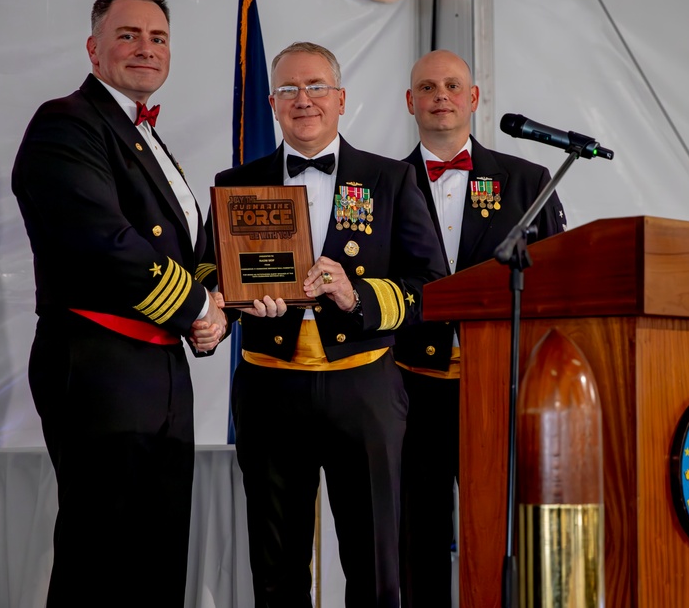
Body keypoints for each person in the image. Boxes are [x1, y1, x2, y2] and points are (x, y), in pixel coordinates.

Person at [11, 0, 228, 607]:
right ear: (93, 47)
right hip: (98, 361)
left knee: (158, 560)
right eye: (128, 35)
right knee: (100, 559)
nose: (146, 48)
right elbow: (103, 242)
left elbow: (194, 255)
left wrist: (220, 313)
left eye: (158, 37)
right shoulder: (65, 123)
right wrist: (195, 308)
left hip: (159, 368)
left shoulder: (149, 140)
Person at [208, 41, 446, 607]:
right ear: (271, 102)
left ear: (341, 100)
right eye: (289, 89)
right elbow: (213, 274)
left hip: (363, 386)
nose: (303, 100)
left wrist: (356, 294)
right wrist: (235, 305)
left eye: (316, 87)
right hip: (269, 386)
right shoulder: (235, 182)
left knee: (373, 563)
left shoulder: (389, 180)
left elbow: (431, 286)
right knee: (275, 565)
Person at [395, 49, 567, 607]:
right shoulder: (379, 184)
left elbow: (555, 285)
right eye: (427, 87)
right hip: (409, 384)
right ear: (410, 102)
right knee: (415, 530)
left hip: (498, 386)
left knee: (496, 526)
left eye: (451, 85)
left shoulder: (529, 180)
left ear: (473, 98)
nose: (440, 94)